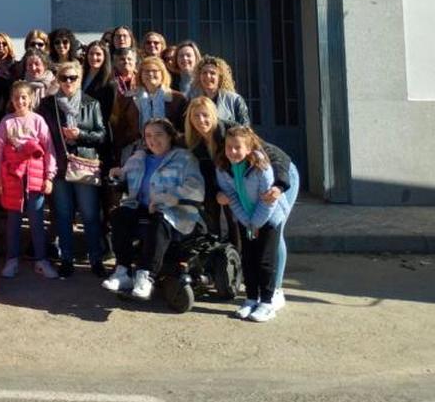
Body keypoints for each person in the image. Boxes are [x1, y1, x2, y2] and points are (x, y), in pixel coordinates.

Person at [185, 98, 297, 308]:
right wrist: (219, 195)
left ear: (214, 115)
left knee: (273, 230)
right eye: (196, 116)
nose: (201, 120)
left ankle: (275, 291)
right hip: (246, 186)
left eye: (205, 115)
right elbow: (214, 178)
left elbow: (271, 155)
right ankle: (253, 295)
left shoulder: (232, 131)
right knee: (252, 242)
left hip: (280, 176)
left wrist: (280, 185)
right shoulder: (196, 144)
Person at [103, 117, 204, 301]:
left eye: (158, 135)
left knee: (159, 219)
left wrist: (170, 197)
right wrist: (116, 176)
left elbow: (196, 188)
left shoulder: (184, 158)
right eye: (148, 135)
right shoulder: (138, 157)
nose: (153, 140)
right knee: (119, 216)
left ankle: (145, 275)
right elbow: (123, 179)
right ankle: (123, 271)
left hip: (175, 211)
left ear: (170, 136)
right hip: (140, 208)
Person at [216, 126, 296, 322]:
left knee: (265, 261)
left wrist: (256, 223)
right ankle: (251, 299)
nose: (232, 152)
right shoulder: (223, 168)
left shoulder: (262, 166)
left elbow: (268, 199)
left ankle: (267, 303)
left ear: (249, 148)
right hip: (247, 220)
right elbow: (232, 196)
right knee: (248, 259)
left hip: (268, 219)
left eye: (237, 147)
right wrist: (247, 222)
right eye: (229, 147)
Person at [41, 60, 108, 277]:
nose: (68, 82)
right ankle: (66, 259)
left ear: (80, 79)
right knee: (63, 215)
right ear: (58, 80)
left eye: (73, 78)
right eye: (64, 78)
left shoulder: (91, 103)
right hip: (60, 166)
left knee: (89, 216)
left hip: (84, 166)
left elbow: (101, 135)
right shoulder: (48, 104)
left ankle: (95, 259)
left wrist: (81, 135)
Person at [0, 82, 56, 279]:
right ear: (12, 100)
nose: (20, 101)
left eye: (24, 97)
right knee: (13, 221)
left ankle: (41, 260)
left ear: (30, 99)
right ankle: (12, 260)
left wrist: (49, 176)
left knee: (37, 220)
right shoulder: (7, 122)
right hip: (12, 178)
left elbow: (48, 149)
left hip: (35, 177)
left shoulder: (38, 121)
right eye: (16, 97)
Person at [111, 56, 187, 164]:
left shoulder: (177, 98)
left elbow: (182, 129)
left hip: (170, 152)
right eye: (146, 71)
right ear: (140, 75)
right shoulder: (127, 98)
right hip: (135, 151)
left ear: (162, 74)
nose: (150, 74)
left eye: (155, 71)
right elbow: (120, 129)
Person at [191, 56, 252, 126]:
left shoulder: (235, 100)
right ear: (199, 76)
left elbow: (245, 129)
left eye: (212, 73)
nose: (208, 76)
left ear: (220, 77)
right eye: (204, 73)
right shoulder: (194, 100)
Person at [81, 40, 114, 122]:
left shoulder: (110, 82)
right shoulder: (80, 76)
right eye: (91, 54)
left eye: (98, 54)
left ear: (105, 57)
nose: (94, 57)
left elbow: (107, 113)